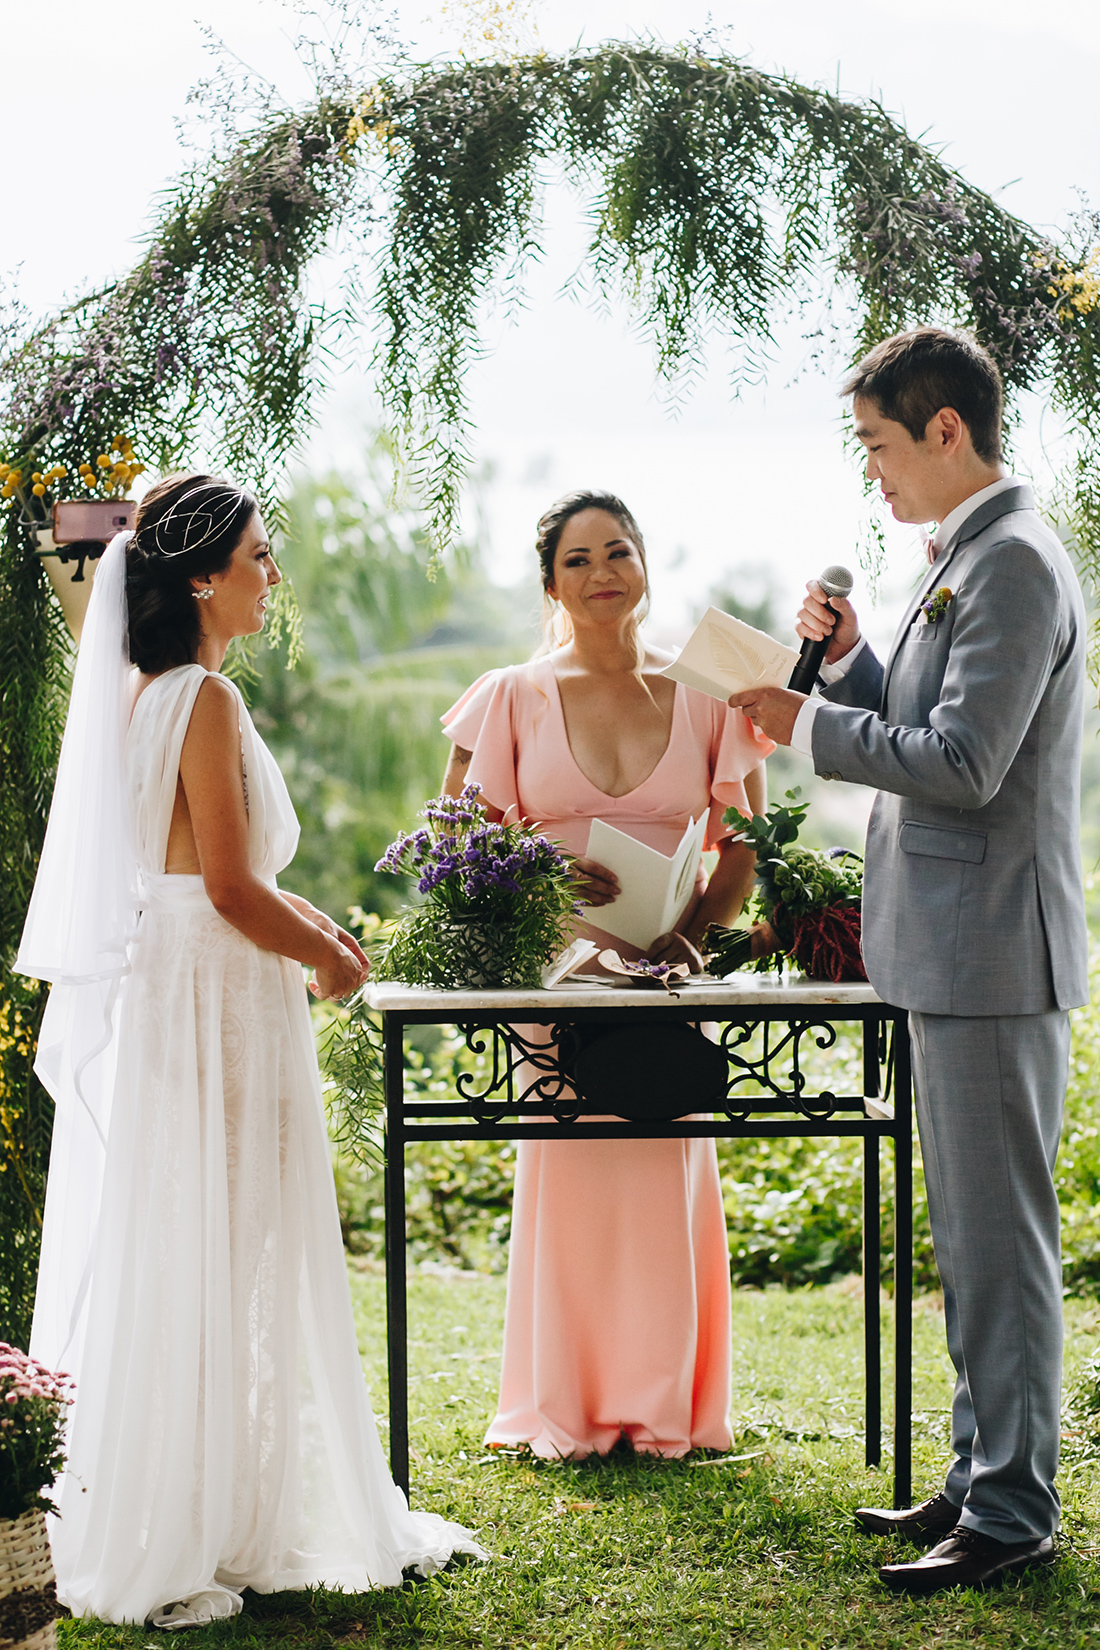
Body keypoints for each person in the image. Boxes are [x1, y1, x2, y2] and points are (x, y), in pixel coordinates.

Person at [16, 475, 482, 1628]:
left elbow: (218, 878)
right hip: (216, 987)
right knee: (237, 1234)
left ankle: (208, 1505)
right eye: (259, 556)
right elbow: (228, 887)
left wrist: (319, 930)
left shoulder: (144, 693)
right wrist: (332, 964)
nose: (273, 576)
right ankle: (213, 1526)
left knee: (196, 1236)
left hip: (180, 980)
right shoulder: (206, 704)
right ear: (201, 578)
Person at [730, 328, 1087, 1595]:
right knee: (970, 1239)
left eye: (878, 446)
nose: (871, 476)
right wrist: (847, 668)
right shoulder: (969, 560)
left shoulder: (1015, 565)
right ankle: (976, 1470)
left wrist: (810, 721)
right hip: (951, 950)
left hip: (993, 951)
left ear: (945, 431)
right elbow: (929, 718)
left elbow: (963, 767)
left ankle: (1011, 1513)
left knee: (1000, 1243)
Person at [439, 489, 772, 1459]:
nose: (600, 574)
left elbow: (741, 844)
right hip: (559, 986)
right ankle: (568, 1407)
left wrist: (693, 939)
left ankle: (666, 1406)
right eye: (577, 559)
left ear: (643, 565)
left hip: (669, 983)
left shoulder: (706, 693)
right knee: (577, 1190)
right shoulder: (509, 695)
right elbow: (456, 849)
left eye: (616, 551)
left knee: (662, 1177)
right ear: (550, 583)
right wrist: (537, 875)